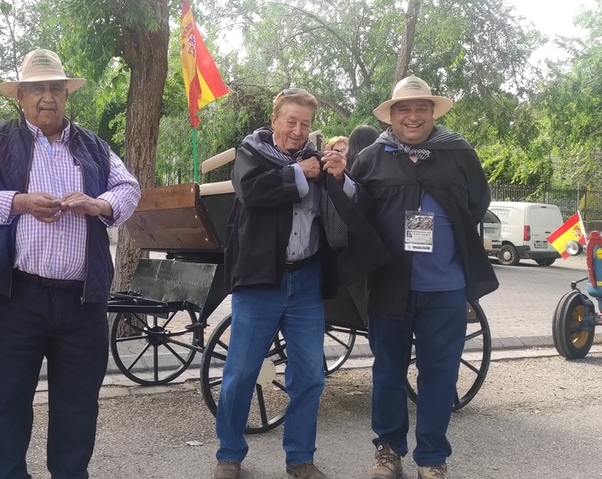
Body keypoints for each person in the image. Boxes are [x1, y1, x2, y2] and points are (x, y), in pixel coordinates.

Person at [0, 48, 141, 479]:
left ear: (66, 95)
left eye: (56, 89)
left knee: (77, 405)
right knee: (6, 401)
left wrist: (98, 205)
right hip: (14, 296)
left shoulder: (93, 145)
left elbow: (128, 188)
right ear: (20, 96)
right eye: (37, 89)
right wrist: (18, 203)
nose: (47, 97)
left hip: (81, 300)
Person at [213, 88, 387, 479]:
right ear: (274, 121)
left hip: (306, 280)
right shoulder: (251, 154)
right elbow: (253, 192)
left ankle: (300, 459)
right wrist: (299, 173)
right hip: (260, 281)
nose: (297, 130)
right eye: (290, 121)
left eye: (305, 124)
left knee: (309, 375)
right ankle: (229, 455)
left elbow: (355, 206)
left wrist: (340, 177)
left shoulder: (319, 161)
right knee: (240, 374)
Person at [350, 76, 498, 479]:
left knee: (440, 373)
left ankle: (432, 458)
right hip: (389, 285)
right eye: (403, 109)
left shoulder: (459, 153)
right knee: (387, 371)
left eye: (420, 108)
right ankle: (389, 452)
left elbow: (476, 202)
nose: (412, 116)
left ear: (432, 112)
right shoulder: (371, 157)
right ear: (392, 115)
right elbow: (355, 212)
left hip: (446, 287)